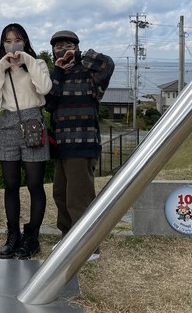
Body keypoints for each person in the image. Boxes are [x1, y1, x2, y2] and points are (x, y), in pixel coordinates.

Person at [45, 30, 114, 261]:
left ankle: (88, 247)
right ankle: (68, 239)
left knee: (79, 197)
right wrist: (58, 69)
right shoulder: (58, 75)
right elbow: (49, 102)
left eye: (67, 45)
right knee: (61, 195)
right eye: (57, 46)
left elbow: (109, 63)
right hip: (61, 145)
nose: (62, 49)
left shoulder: (90, 73)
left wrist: (80, 56)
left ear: (76, 46)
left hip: (83, 143)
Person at [0, 23, 52, 259]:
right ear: (2, 44)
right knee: (10, 185)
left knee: (34, 184)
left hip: (33, 121)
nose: (13, 44)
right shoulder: (0, 69)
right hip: (7, 124)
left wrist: (28, 61)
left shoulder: (38, 64)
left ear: (25, 41)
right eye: (8, 40)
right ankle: (12, 234)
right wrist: (2, 67)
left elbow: (45, 87)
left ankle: (32, 236)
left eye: (17, 39)